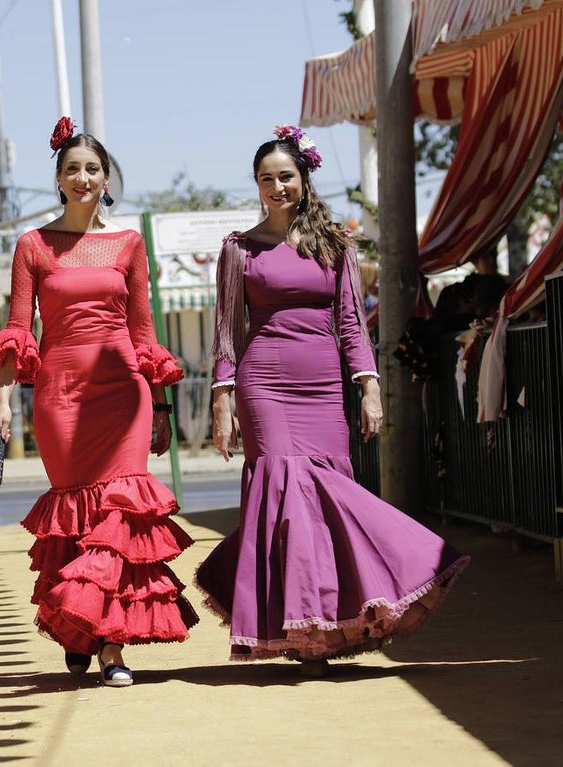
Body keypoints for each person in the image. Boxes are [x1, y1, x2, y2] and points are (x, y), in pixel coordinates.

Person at [197, 126, 470, 677]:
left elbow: (350, 322)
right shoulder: (238, 249)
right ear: (257, 185)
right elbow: (227, 331)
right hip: (264, 383)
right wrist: (222, 400)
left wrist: (368, 386)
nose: (277, 187)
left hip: (322, 387)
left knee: (327, 499)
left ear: (304, 179)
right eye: (266, 179)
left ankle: (326, 620)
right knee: (286, 491)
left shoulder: (335, 245)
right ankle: (303, 630)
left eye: (286, 177)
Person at [0, 118, 198, 687]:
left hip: (123, 391)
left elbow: (144, 332)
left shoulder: (127, 244)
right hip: (60, 395)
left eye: (93, 169)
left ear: (106, 179)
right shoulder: (32, 245)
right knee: (76, 516)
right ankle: (80, 629)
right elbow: (17, 329)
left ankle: (112, 645)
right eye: (72, 168)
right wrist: (4, 400)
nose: (83, 177)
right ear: (58, 178)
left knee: (119, 515)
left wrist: (163, 407)